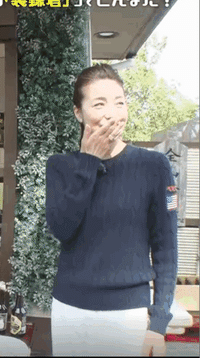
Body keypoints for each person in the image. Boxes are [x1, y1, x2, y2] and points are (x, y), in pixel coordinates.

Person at [45, 64, 177, 356]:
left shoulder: (154, 166)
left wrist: (158, 324)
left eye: (119, 103)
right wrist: (89, 162)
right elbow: (62, 228)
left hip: (127, 315)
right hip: (70, 311)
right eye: (99, 104)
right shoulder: (61, 166)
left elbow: (166, 249)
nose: (112, 113)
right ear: (78, 113)